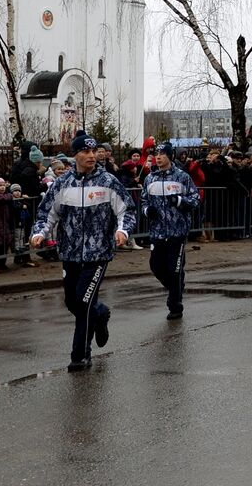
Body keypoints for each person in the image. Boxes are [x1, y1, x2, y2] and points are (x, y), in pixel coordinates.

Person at [30, 130, 136, 371]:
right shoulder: (62, 183)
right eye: (85, 151)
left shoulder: (107, 181)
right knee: (72, 301)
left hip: (98, 253)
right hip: (69, 253)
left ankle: (80, 354)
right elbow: (47, 213)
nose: (91, 156)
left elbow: (127, 210)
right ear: (75, 154)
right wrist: (39, 233)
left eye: (93, 151)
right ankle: (100, 314)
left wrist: (123, 231)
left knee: (84, 301)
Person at [142, 143, 202, 319]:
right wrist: (147, 211)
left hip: (177, 230)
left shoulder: (181, 177)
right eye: (156, 154)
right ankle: (176, 288)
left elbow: (195, 198)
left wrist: (178, 201)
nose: (158, 157)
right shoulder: (149, 179)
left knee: (175, 268)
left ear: (170, 156)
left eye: (162, 154)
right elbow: (144, 201)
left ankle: (175, 305)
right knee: (156, 266)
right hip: (157, 231)